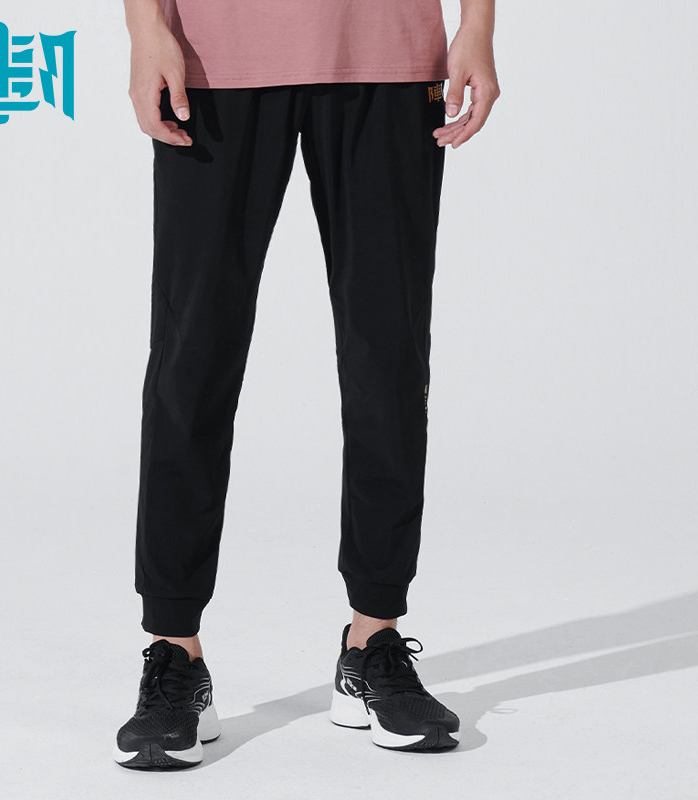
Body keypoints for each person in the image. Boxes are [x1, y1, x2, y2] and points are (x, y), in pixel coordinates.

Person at [114, 0, 499, 769]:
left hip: (388, 55)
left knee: (389, 361)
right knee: (193, 358)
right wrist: (145, 27)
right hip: (214, 59)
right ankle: (175, 649)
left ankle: (374, 638)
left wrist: (479, 25)